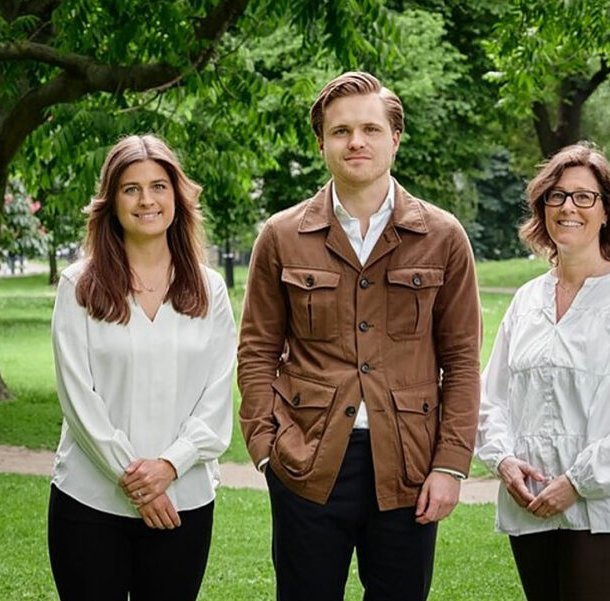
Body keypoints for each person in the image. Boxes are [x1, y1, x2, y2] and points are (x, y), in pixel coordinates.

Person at [237, 71, 482, 601]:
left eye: (370, 129)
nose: (356, 142)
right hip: (307, 460)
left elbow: (461, 360)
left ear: (395, 138)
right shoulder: (281, 236)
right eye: (341, 130)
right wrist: (265, 448)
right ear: (322, 142)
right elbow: (257, 350)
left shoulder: (443, 236)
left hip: (410, 466)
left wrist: (449, 465)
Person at [476, 143, 610, 601]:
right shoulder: (527, 300)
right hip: (531, 500)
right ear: (542, 208)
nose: (569, 207)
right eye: (557, 196)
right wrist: (504, 462)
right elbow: (491, 398)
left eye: (584, 197)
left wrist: (577, 483)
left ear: (607, 211)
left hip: (602, 506)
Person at [48, 134, 236, 601]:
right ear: (111, 201)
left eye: (158, 186)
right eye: (131, 188)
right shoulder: (79, 286)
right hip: (90, 501)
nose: (146, 199)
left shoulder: (209, 290)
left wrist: (170, 467)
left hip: (185, 500)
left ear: (178, 196)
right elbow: (78, 400)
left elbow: (216, 397)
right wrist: (138, 483)